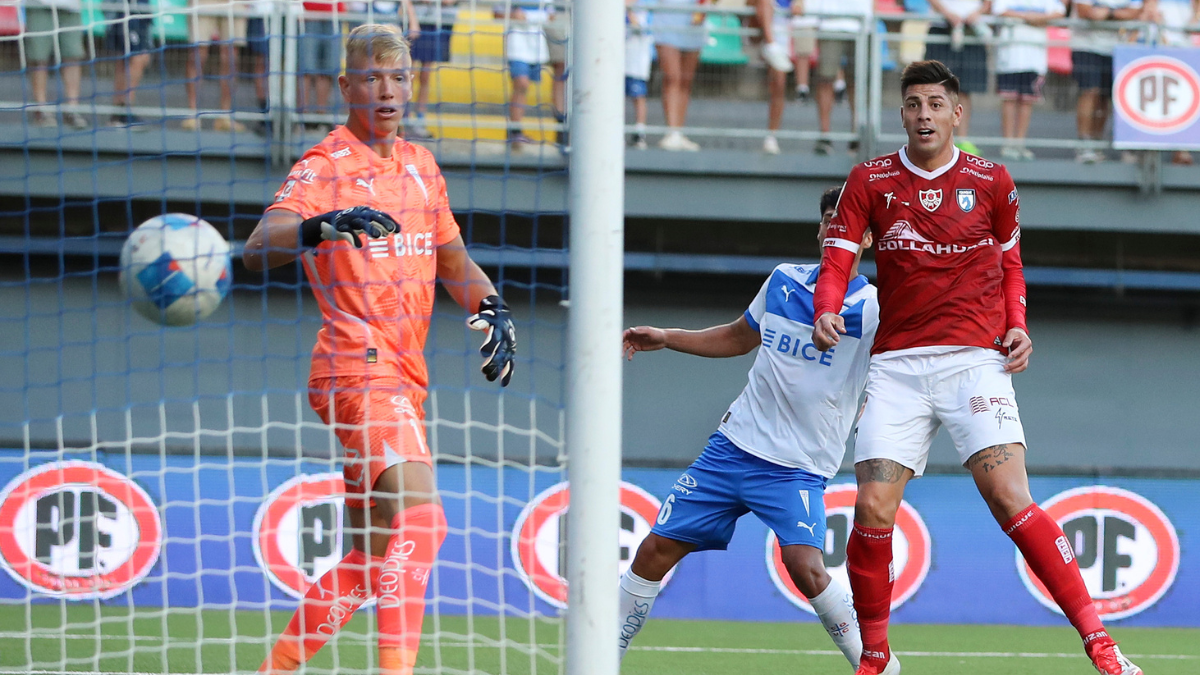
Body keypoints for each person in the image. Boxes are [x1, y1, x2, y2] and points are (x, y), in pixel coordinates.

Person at [811, 60, 1143, 675]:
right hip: (899, 366)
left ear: (956, 112)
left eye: (936, 103)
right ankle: (875, 658)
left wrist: (1018, 322)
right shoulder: (870, 180)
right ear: (902, 113)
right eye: (913, 104)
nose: (924, 115)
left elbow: (1012, 262)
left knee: (1009, 497)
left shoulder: (991, 179)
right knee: (872, 508)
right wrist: (827, 307)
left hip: (974, 361)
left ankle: (1102, 645)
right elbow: (836, 259)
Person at [245, 24, 517, 675]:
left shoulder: (422, 167)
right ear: (346, 86)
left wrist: (491, 304)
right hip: (358, 374)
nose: (387, 90)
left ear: (411, 83)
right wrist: (317, 226)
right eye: (371, 77)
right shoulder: (325, 165)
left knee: (369, 559)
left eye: (397, 77)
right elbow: (259, 246)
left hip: (401, 380)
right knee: (424, 525)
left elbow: (453, 260)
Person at [617, 187, 896, 674]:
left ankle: (879, 668)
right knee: (654, 549)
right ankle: (600, 660)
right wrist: (666, 337)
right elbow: (737, 337)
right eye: (828, 219)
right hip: (733, 448)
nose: (835, 227)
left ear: (867, 237)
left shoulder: (876, 309)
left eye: (846, 222)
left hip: (798, 468)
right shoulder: (783, 282)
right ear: (818, 230)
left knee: (807, 568)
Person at [1070, 0, 1144, 163]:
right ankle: (1084, 142)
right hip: (1086, 46)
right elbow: (1086, 12)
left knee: (1105, 97)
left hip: (1117, 48)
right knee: (1090, 91)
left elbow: (1135, 12)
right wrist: (1118, 14)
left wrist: (1108, 13)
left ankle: (1096, 142)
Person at [991, 0, 1066, 160]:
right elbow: (998, 10)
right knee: (1009, 98)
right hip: (1009, 55)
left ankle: (1020, 143)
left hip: (1035, 56)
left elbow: (1060, 12)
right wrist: (1028, 17)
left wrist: (1038, 18)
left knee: (1027, 100)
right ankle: (1008, 143)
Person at [924, 0, 990, 155]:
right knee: (937, 89)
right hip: (941, 28)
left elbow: (988, 3)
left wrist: (976, 14)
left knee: (964, 89)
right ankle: (935, 139)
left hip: (971, 30)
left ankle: (962, 140)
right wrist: (947, 14)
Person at [810, 0, 872, 155]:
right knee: (825, 79)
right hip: (830, 22)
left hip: (862, 23)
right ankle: (825, 136)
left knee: (859, 82)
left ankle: (857, 134)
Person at [23, 0, 88, 129]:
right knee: (39, 57)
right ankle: (41, 109)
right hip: (39, 5)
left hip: (71, 7)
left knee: (73, 56)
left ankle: (72, 109)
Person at [184, 0, 248, 132]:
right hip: (203, 2)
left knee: (231, 58)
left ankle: (224, 116)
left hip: (234, 3)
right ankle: (192, 114)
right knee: (197, 54)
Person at [652, 0, 706, 150]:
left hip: (695, 23)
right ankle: (671, 131)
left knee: (685, 81)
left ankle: (679, 132)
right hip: (667, 22)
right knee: (672, 77)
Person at [496, 0, 550, 147]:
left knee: (524, 88)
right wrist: (513, 15)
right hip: (516, 45)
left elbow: (552, 15)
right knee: (521, 83)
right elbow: (497, 13)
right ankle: (514, 131)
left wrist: (528, 17)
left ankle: (516, 130)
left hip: (536, 46)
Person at [406, 0, 458, 140]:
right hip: (416, 22)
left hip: (437, 23)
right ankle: (405, 118)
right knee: (409, 74)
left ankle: (419, 120)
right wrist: (413, 20)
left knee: (426, 75)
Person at [755, 0, 797, 154]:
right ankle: (771, 45)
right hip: (768, 31)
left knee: (779, 86)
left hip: (789, 29)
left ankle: (771, 136)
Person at [107, 0, 155, 129]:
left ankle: (118, 112)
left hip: (139, 10)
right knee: (138, 57)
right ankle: (125, 109)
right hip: (126, 10)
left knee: (126, 59)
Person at [625, 0, 654, 150]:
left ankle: (640, 132)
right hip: (618, 61)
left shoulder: (646, 6)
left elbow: (641, 29)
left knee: (638, 96)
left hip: (636, 62)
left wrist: (628, 9)